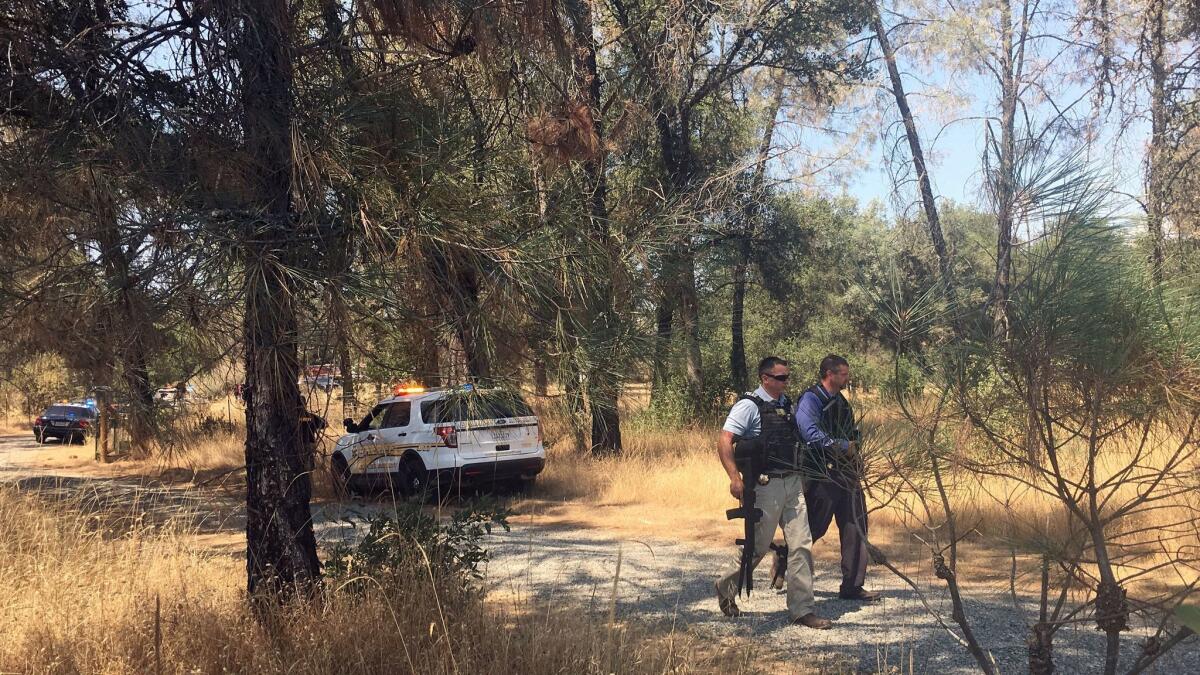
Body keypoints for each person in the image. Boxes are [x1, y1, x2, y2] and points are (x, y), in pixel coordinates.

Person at [715, 356, 832, 629]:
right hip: (766, 486)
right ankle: (725, 586)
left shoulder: (786, 405)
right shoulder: (748, 406)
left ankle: (802, 610)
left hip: (792, 483)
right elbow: (725, 440)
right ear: (765, 378)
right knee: (756, 546)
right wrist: (735, 478)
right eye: (780, 378)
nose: (785, 382)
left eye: (787, 377)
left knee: (802, 545)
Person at [796, 354, 880, 602]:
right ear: (829, 374)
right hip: (820, 474)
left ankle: (852, 586)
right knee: (814, 528)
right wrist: (842, 445)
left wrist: (855, 449)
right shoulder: (810, 400)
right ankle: (785, 556)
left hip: (847, 474)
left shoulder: (842, 403)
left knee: (856, 524)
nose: (847, 377)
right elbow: (809, 432)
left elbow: (852, 433)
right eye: (843, 373)